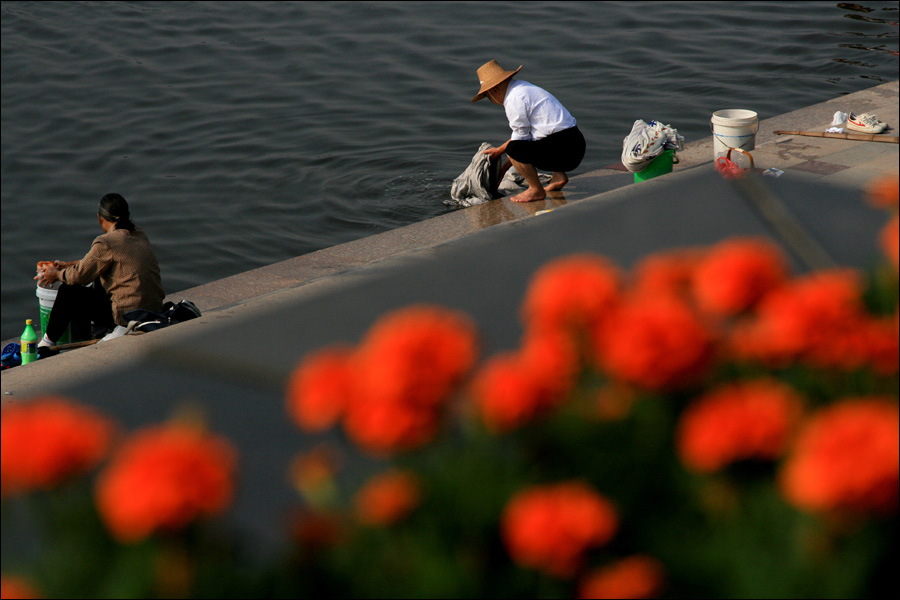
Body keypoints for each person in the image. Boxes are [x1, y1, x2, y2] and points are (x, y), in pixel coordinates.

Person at [34, 193, 165, 348]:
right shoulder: (139, 234)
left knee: (68, 291)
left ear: (100, 218)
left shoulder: (106, 242)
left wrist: (56, 274)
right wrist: (67, 265)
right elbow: (96, 263)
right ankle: (102, 329)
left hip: (126, 317)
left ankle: (46, 343)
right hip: (153, 311)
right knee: (98, 274)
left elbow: (79, 276)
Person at [471, 60, 586, 203]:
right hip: (575, 143)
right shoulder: (523, 88)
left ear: (494, 90)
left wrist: (502, 169)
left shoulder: (513, 99)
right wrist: (500, 150)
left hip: (564, 151)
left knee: (514, 149)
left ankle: (535, 190)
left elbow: (519, 142)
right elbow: (529, 133)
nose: (492, 101)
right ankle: (558, 177)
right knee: (535, 139)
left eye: (488, 97)